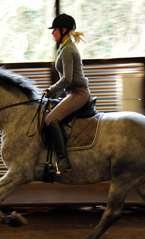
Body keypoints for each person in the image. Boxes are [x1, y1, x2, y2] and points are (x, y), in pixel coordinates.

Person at [44, 13, 91, 174]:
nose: (52, 33)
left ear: (63, 30)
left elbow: (67, 78)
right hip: (71, 92)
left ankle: (63, 160)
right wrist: (57, 93)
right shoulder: (65, 48)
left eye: (55, 30)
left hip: (78, 93)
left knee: (50, 119)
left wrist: (51, 90)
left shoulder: (67, 50)